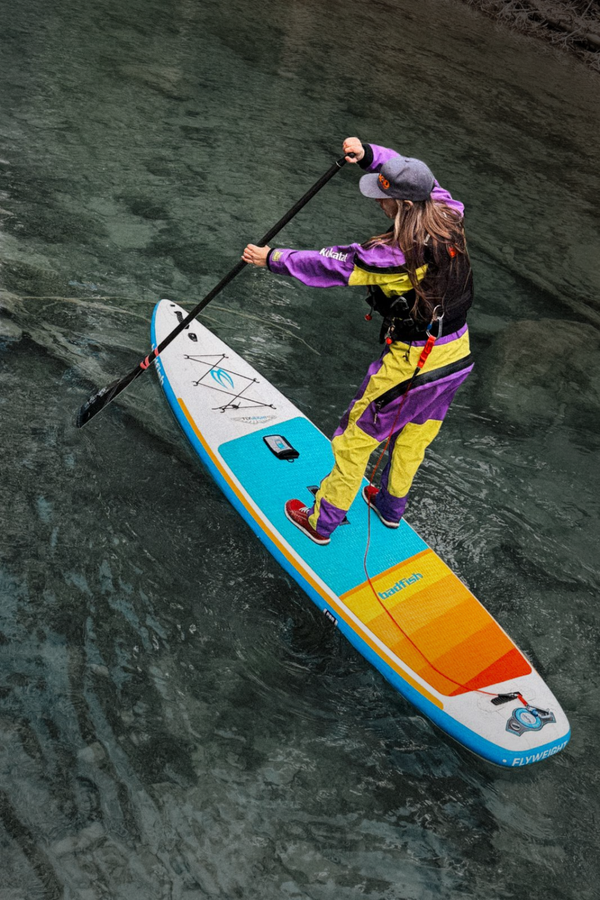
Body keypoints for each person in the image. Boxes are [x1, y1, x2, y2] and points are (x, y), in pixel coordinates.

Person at [242, 137, 474, 546]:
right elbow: (416, 173)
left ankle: (321, 522)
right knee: (415, 434)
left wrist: (272, 258)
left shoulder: (395, 255)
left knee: (356, 437)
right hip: (457, 356)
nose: (378, 202)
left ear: (403, 204)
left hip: (414, 363)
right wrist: (369, 154)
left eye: (383, 197)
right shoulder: (447, 211)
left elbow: (332, 264)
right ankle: (390, 507)